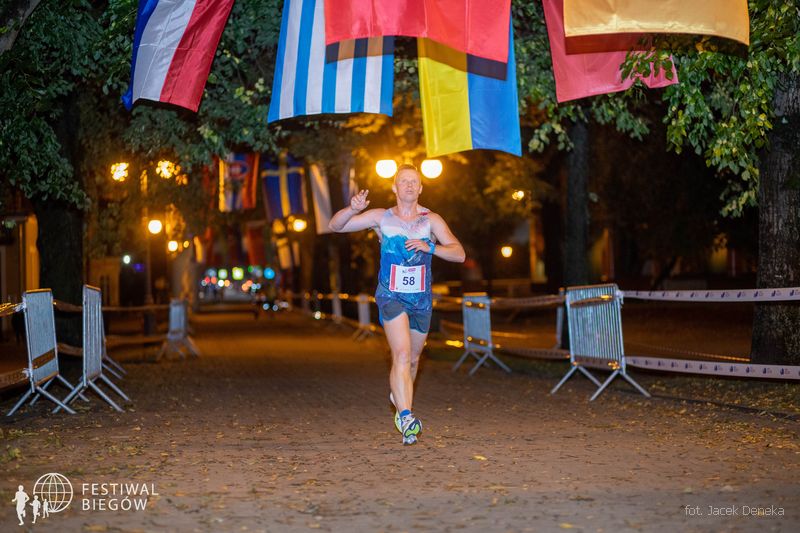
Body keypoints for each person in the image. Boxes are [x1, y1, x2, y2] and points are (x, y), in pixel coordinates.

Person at [329, 164, 465, 445]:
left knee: (413, 359)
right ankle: (406, 417)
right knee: (401, 354)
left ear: (421, 188)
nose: (409, 185)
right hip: (391, 295)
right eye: (404, 181)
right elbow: (336, 226)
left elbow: (459, 254)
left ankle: (400, 397)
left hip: (421, 299)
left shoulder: (431, 220)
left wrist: (431, 247)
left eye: (414, 181)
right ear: (394, 187)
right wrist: (352, 209)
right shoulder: (382, 217)